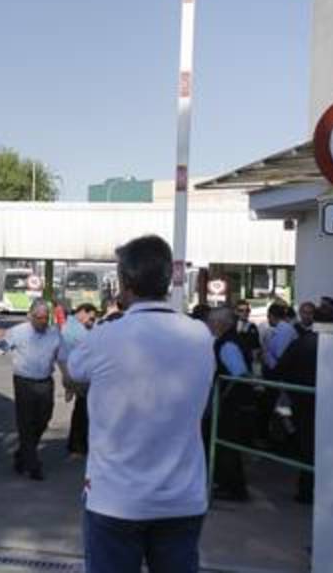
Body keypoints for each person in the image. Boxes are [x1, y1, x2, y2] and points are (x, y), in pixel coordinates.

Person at [67, 235, 213, 573]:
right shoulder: (199, 335)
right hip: (182, 500)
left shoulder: (104, 336)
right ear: (168, 280)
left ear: (124, 283)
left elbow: (75, 371)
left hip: (115, 501)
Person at [3, 298, 62, 480]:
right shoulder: (18, 332)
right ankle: (33, 464)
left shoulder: (54, 334)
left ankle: (22, 454)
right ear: (30, 316)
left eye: (45, 318)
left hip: (45, 381)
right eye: (39, 318)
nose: (42, 322)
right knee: (26, 422)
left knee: (44, 418)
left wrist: (68, 379)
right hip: (24, 382)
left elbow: (63, 358)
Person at [203, 306, 252, 501]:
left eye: (211, 322)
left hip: (228, 406)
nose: (209, 326)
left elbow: (239, 374)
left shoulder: (227, 344)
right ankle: (228, 484)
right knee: (225, 445)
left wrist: (222, 397)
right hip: (228, 404)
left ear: (221, 323)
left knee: (226, 446)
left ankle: (232, 488)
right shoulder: (229, 341)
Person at [275, 326, 318, 504]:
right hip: (319, 398)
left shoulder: (300, 343)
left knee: (307, 445)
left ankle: (306, 490)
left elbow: (281, 367)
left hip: (300, 399)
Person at [61, 303, 97, 457]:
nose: (91, 321)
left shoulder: (72, 327)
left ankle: (77, 445)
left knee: (82, 410)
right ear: (83, 312)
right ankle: (77, 446)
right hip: (79, 375)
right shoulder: (76, 330)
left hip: (76, 374)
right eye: (91, 318)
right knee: (82, 412)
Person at [262, 302, 299, 375]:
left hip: (280, 373)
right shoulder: (279, 329)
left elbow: (281, 354)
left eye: (268, 316)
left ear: (271, 316)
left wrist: (266, 356)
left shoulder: (284, 330)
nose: (267, 319)